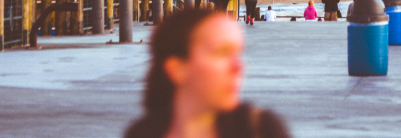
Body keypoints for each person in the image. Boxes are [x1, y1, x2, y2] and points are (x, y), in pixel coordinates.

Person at [124, 8, 290, 138]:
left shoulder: (260, 129)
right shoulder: (143, 133)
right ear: (177, 69)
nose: (239, 67)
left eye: (237, 53)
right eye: (222, 53)